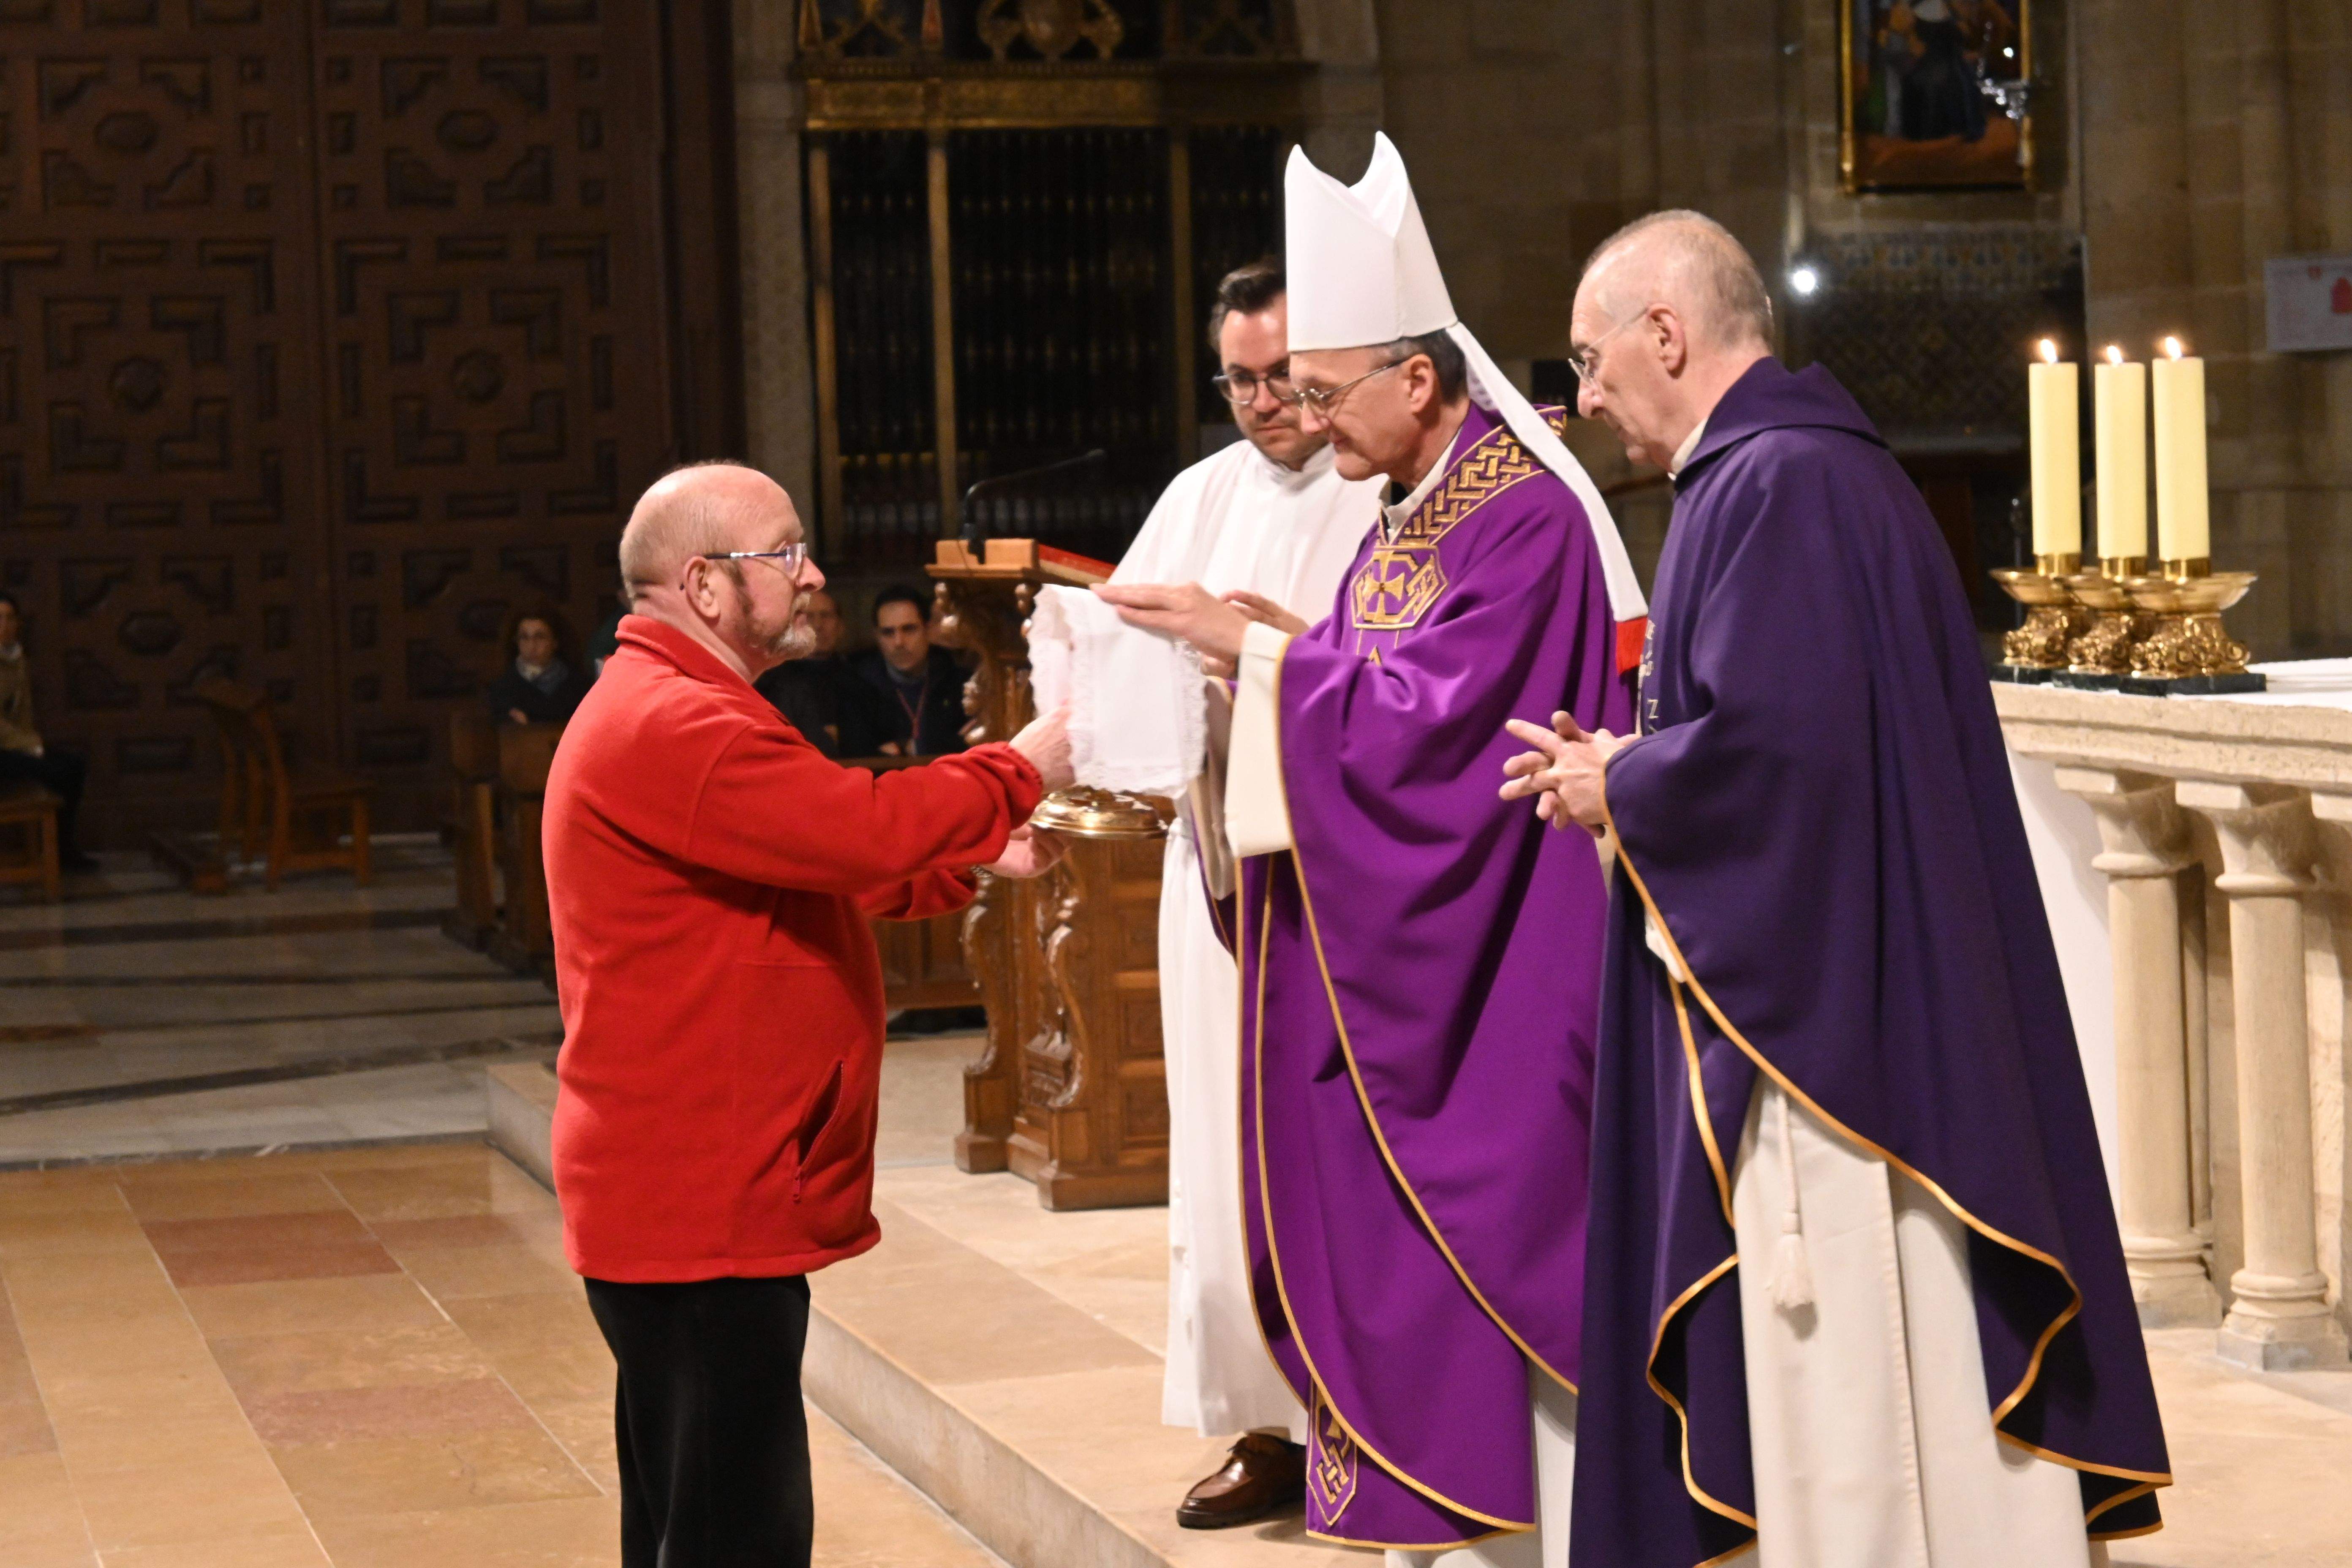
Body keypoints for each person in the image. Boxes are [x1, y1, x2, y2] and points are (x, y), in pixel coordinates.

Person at [1499, 212, 2168, 1568]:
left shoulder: (1770, 488)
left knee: (1869, 1391)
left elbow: (1781, 759)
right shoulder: (1804, 473)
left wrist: (1617, 789)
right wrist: (1639, 769)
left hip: (1835, 1059)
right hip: (1874, 999)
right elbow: (1799, 735)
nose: (1581, 400)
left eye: (1587, 358)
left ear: (1666, 333)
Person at [1100, 133, 1647, 1563]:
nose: (1305, 421)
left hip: (1488, 984)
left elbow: (1444, 738)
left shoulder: (1517, 514)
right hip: (1392, 960)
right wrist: (1272, 662)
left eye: (1326, 393)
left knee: (1480, 1258)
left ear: (1416, 379)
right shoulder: (1410, 509)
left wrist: (1260, 660)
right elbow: (1376, 676)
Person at [541, 460, 1075, 1568]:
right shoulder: (673, 720)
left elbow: (796, 863)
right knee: (739, 1536)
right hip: (697, 1194)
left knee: (695, 1521)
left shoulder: (680, 705)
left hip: (686, 1186)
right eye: (783, 554)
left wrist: (970, 857)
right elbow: (853, 828)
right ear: (702, 585)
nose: (813, 575)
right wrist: (1015, 771)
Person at [1103, 255, 1383, 1530]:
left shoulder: (1387, 491)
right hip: (1214, 859)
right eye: (1239, 381)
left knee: (1335, 1142)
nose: (1265, 404)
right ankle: (1264, 1423)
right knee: (1224, 1148)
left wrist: (1266, 653)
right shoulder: (1196, 495)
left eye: (1282, 376)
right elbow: (1117, 657)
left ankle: (1369, 1407)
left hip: (1341, 873)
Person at [0, 591, 95, 873]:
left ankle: (64, 848)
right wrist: (30, 745)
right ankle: (56, 852)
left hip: (11, 745)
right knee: (57, 771)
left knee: (74, 765)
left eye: (9, 618)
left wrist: (32, 745)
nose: (4, 625)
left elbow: (22, 714)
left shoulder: (17, 659)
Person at [754, 588, 886, 759]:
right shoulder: (774, 684)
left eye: (825, 616)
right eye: (809, 617)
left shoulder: (862, 684)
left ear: (841, 626)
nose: (818, 625)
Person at [853, 587, 968, 757]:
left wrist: (912, 748)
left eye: (909, 629)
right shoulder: (857, 685)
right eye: (888, 633)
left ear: (927, 631)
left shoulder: (957, 679)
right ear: (877, 637)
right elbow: (857, 752)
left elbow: (970, 744)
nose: (899, 642)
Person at [484, 606, 593, 726]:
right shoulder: (502, 688)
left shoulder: (579, 684)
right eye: (524, 638)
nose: (532, 646)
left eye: (540, 637)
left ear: (555, 642)